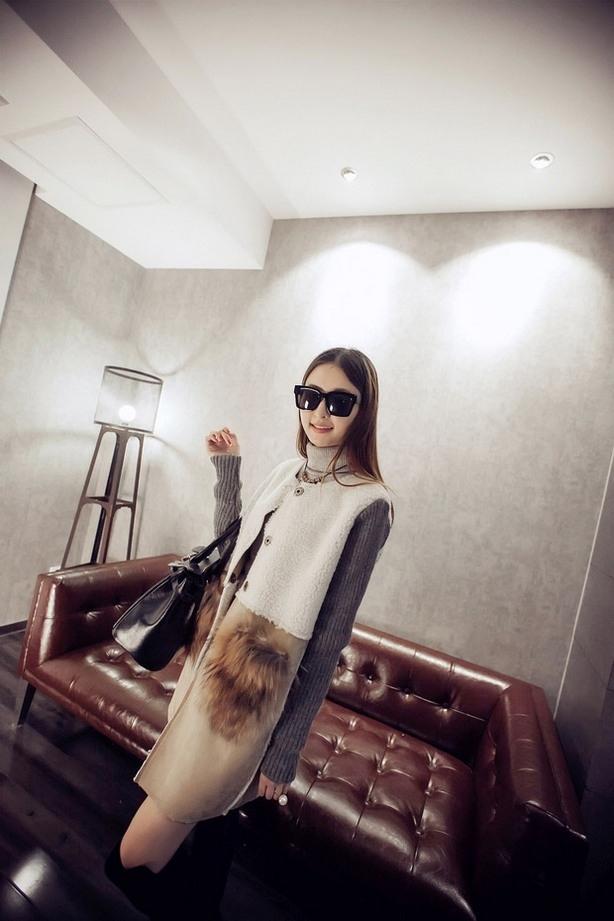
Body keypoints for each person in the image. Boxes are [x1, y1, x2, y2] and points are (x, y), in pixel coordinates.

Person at [104, 346, 394, 919]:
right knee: (211, 822)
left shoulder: (368, 505)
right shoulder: (288, 472)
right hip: (207, 660)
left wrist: (286, 748)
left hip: (246, 694)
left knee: (130, 862)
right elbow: (232, 553)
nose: (320, 413)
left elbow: (329, 640)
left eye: (339, 402)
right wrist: (228, 470)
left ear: (363, 411)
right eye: (310, 396)